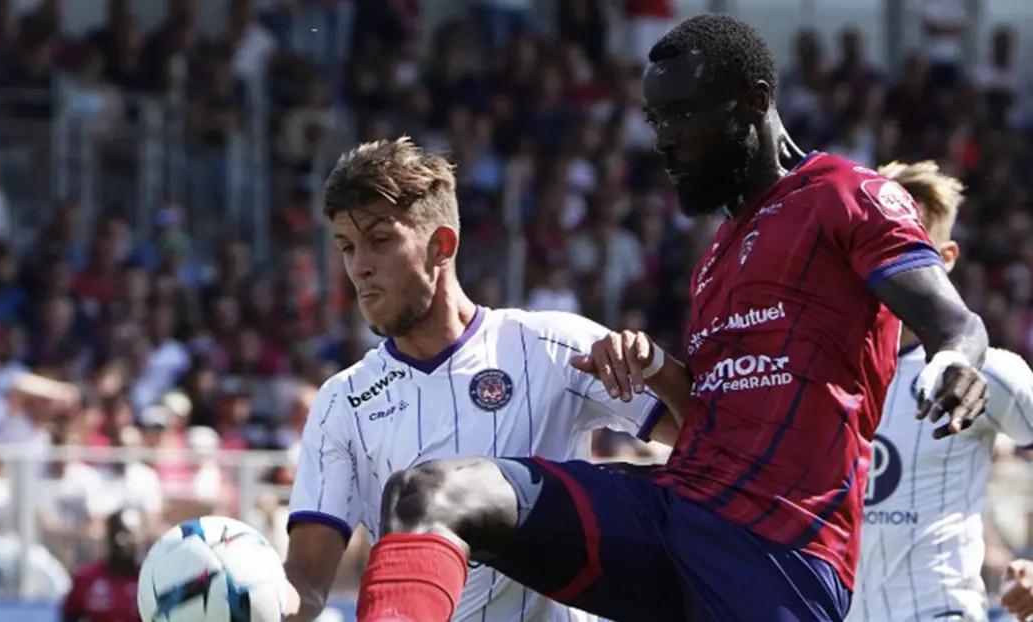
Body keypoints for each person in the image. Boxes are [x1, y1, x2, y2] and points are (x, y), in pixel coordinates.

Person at [356, 14, 990, 622]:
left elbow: (954, 323)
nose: (662, 140)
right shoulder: (716, 254)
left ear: (751, 101)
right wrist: (657, 368)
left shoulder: (847, 195)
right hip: (674, 507)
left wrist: (957, 361)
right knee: (429, 495)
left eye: (681, 115)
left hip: (776, 548)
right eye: (656, 119)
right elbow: (714, 412)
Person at [283, 137, 676, 622]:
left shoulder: (553, 347)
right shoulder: (343, 402)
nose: (359, 265)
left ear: (441, 245)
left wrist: (656, 368)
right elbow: (305, 583)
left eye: (380, 241)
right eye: (346, 247)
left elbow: (706, 437)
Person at [849, 161, 1033, 622]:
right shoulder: (827, 374)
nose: (889, 271)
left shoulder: (988, 371)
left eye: (911, 252)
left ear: (946, 258)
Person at [61, 508, 146, 622]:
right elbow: (69, 615)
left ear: (142, 535)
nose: (120, 540)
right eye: (115, 532)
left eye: (128, 533)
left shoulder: (154, 581)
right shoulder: (86, 578)